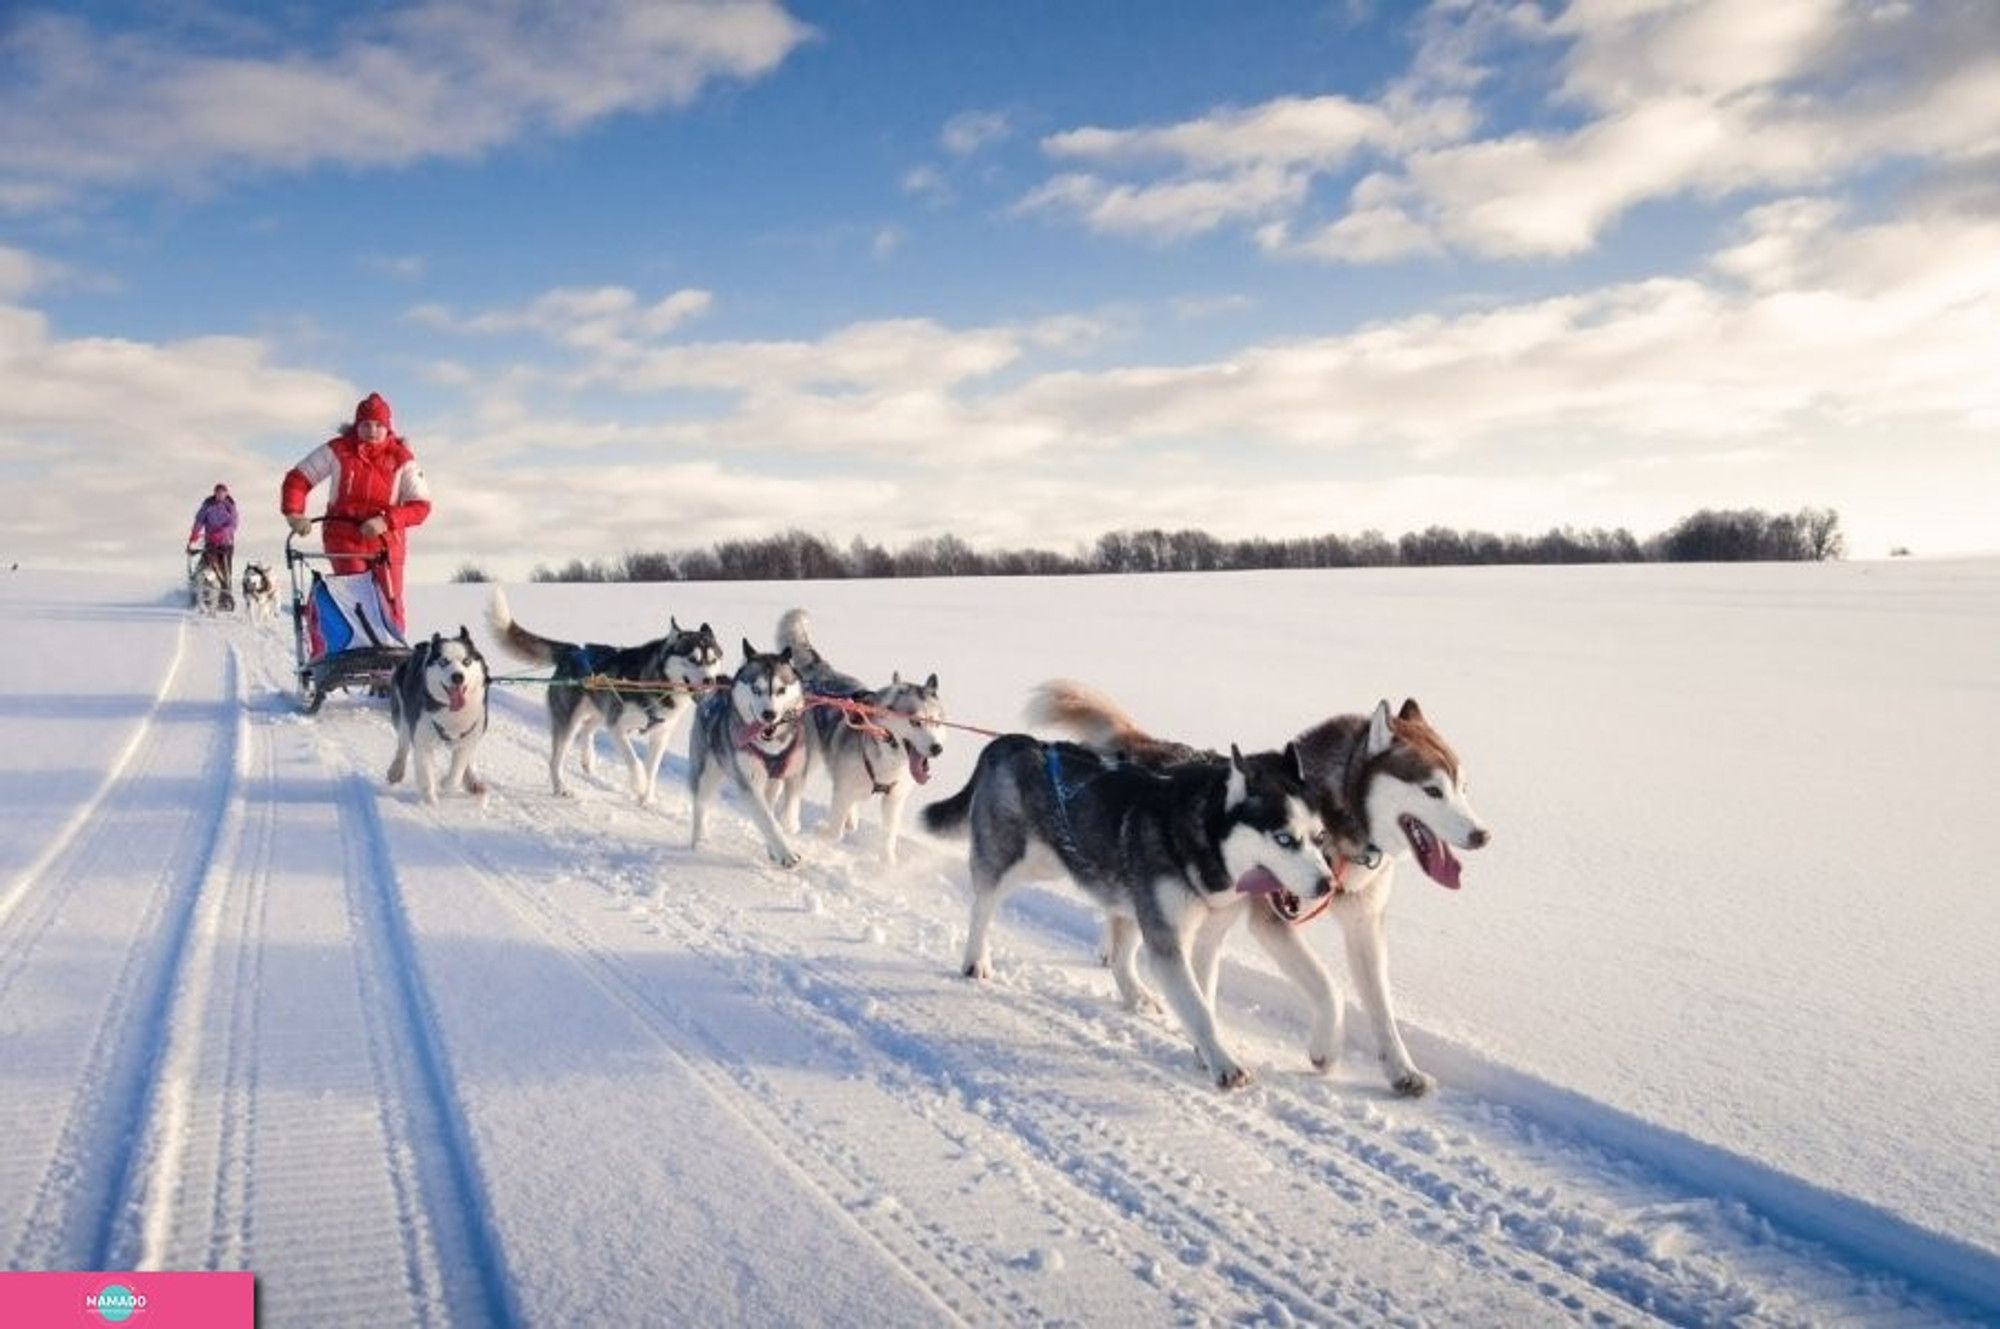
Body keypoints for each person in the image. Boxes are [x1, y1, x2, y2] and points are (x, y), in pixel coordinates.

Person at [280, 392, 432, 634]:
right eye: (366, 424)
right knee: (355, 600)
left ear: (388, 428)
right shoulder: (338, 450)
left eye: (378, 425)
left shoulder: (402, 459)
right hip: (344, 539)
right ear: (356, 425)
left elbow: (421, 506)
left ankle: (393, 660)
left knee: (390, 605)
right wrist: (294, 513)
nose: (372, 430)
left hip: (386, 542)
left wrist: (386, 521)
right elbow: (298, 479)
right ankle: (355, 656)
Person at [187, 482, 238, 589]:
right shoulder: (208, 505)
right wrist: (194, 533)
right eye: (217, 492)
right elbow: (199, 520)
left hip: (226, 543)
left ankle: (225, 592)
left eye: (222, 493)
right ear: (214, 493)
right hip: (210, 541)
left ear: (226, 494)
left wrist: (222, 533)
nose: (220, 495)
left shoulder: (230, 506)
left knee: (225, 571)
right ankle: (196, 586)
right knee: (206, 562)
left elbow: (233, 524)